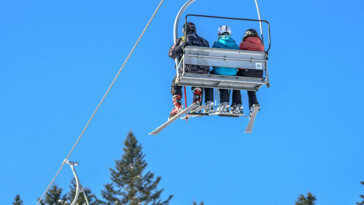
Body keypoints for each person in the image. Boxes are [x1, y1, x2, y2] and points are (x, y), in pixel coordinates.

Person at [168, 22, 212, 118]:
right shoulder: (204, 41)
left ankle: (178, 105)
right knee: (198, 76)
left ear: (184, 31)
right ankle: (197, 97)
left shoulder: (183, 39)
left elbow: (171, 53)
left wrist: (179, 46)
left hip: (188, 70)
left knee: (175, 84)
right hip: (203, 71)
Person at [232, 28, 264, 111]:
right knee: (251, 86)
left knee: (236, 83)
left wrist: (238, 68)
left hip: (246, 71)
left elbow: (239, 57)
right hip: (258, 73)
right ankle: (253, 103)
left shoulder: (243, 44)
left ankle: (237, 104)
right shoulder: (261, 46)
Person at [211, 25, 240, 114]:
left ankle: (224, 103)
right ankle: (237, 105)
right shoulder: (235, 45)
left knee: (219, 76)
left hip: (220, 71)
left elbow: (212, 58)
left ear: (219, 33)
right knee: (234, 80)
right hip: (233, 72)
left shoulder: (217, 44)